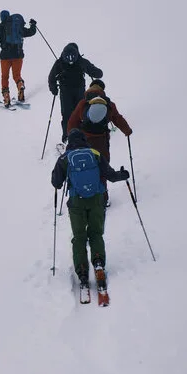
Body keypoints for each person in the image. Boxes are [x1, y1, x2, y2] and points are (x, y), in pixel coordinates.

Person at [50, 128, 130, 294]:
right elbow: (111, 176)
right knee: (95, 234)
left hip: (76, 202)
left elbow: (56, 182)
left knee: (79, 237)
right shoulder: (95, 153)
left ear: (69, 142)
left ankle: (82, 272)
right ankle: (99, 263)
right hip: (96, 200)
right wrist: (123, 174)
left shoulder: (65, 158)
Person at [65, 79, 132, 164]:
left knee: (86, 160)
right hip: (102, 139)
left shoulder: (83, 103)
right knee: (103, 162)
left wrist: (71, 137)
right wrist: (127, 130)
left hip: (85, 138)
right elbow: (117, 118)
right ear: (102, 90)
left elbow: (72, 121)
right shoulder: (109, 104)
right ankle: (102, 176)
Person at [48, 43, 103, 146]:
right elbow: (51, 78)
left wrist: (96, 73)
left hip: (77, 90)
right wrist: (53, 88)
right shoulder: (59, 63)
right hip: (66, 92)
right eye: (68, 59)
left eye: (73, 59)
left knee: (79, 113)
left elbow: (92, 70)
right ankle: (67, 137)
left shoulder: (80, 62)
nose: (70, 62)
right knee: (68, 114)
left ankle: (80, 134)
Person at [0, 10, 37, 106]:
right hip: (18, 55)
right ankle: (20, 85)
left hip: (5, 57)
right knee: (16, 75)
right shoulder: (17, 27)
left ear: (1, 18)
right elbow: (31, 32)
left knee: (5, 77)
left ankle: (6, 96)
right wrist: (33, 24)